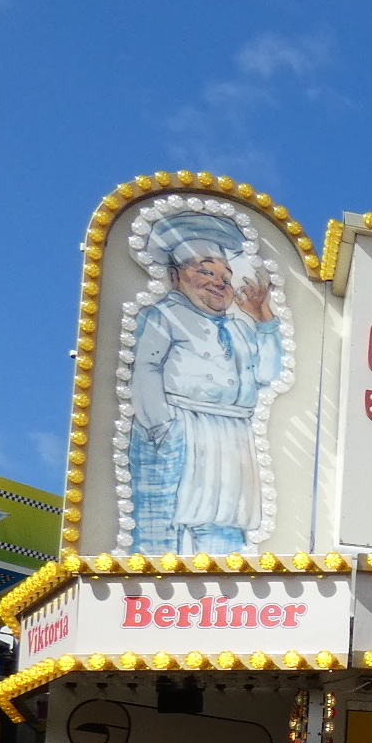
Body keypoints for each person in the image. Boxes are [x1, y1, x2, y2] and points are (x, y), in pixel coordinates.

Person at [128, 210, 284, 555]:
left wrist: (263, 319)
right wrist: (161, 426)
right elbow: (146, 369)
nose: (219, 282)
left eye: (226, 277)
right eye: (206, 271)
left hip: (232, 435)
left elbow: (267, 374)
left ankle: (224, 587)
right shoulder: (164, 315)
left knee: (226, 526)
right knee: (162, 527)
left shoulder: (240, 328)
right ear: (175, 275)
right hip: (179, 427)